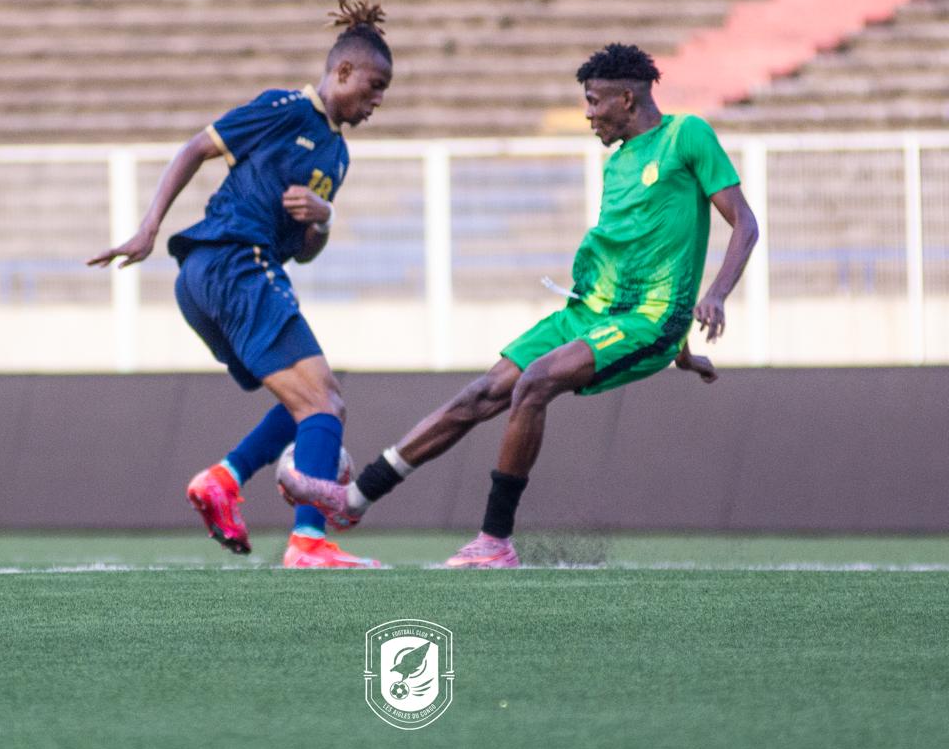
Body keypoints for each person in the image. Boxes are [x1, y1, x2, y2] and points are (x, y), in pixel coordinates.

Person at [281, 42, 760, 568]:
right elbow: (645, 258)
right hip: (588, 312)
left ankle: (494, 541)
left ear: (626, 99)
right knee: (482, 393)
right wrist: (684, 353)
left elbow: (744, 223)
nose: (588, 113)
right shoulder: (619, 163)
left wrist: (714, 296)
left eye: (594, 100)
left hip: (645, 321)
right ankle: (354, 499)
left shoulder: (686, 135)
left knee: (534, 383)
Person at [88, 0, 393, 568]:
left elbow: (305, 252)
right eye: (374, 86)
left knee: (312, 402)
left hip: (218, 276)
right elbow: (195, 148)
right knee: (325, 404)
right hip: (232, 261)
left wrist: (323, 219)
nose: (377, 101)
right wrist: (149, 227)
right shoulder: (286, 109)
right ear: (343, 71)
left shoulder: (337, 157)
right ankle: (309, 541)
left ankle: (224, 481)